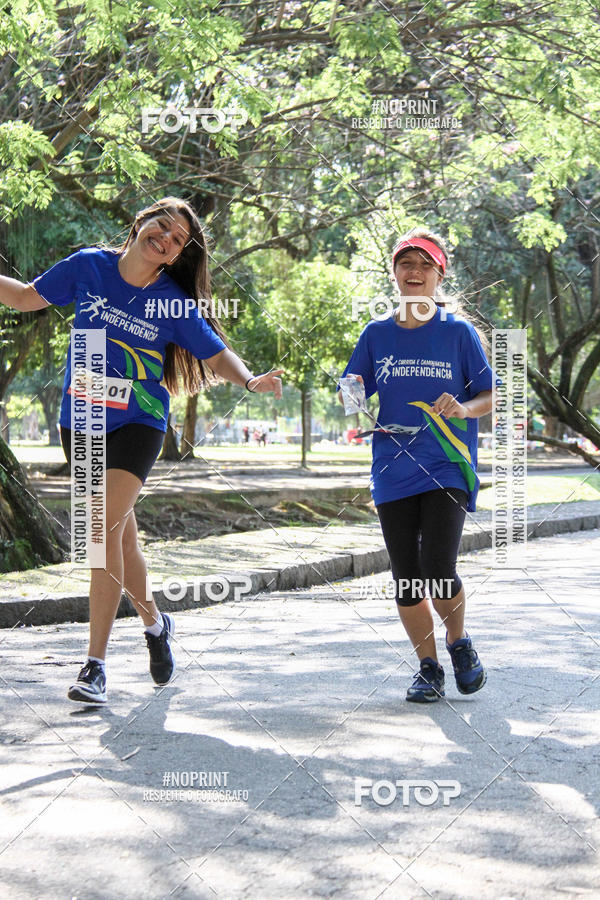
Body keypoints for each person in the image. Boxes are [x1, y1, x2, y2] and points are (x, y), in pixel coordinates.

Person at [0, 197, 283, 705]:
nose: (165, 238)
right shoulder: (89, 266)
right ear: (140, 223)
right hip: (82, 416)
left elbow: (215, 353)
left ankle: (94, 666)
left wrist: (249, 379)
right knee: (121, 538)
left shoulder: (172, 300)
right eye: (161, 226)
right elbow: (24, 298)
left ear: (176, 256)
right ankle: (154, 623)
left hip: (140, 417)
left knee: (101, 530)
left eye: (177, 240)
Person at [339, 228, 498, 703]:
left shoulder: (458, 333)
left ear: (438, 276)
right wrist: (351, 396)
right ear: (394, 273)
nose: (414, 272)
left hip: (447, 462)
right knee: (406, 575)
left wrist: (465, 409)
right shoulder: (375, 333)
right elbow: (353, 389)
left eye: (424, 265)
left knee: (438, 566)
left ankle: (459, 643)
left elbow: (490, 393)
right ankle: (428, 668)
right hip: (392, 468)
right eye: (406, 264)